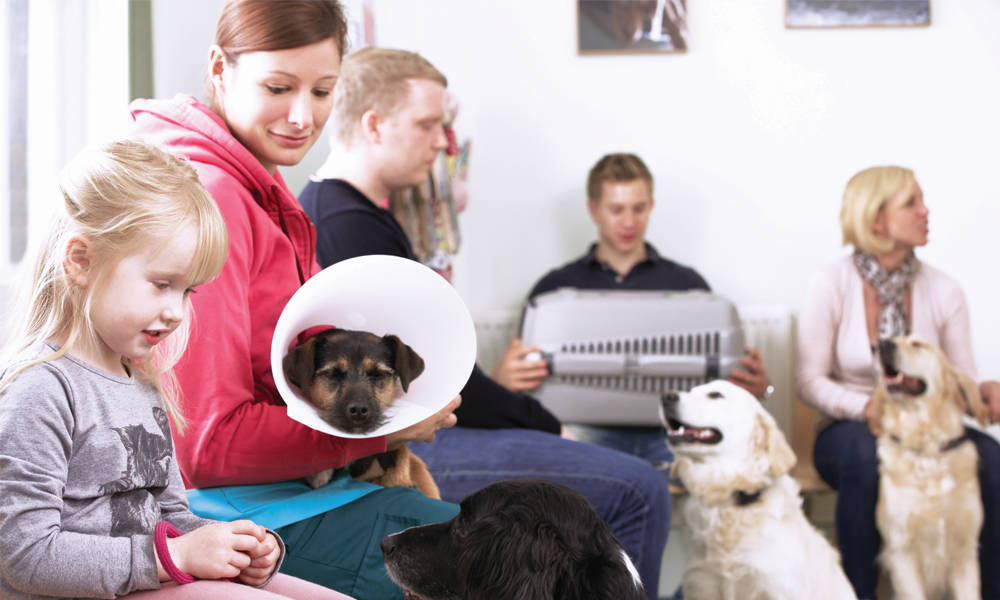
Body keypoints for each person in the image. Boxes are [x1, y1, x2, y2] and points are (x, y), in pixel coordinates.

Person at [299, 47, 671, 600]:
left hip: (435, 422)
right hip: (424, 437)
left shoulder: (356, 217)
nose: (443, 143)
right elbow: (446, 386)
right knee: (639, 489)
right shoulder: (349, 227)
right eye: (428, 124)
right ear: (374, 125)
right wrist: (546, 423)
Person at [129, 3, 459, 598]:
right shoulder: (217, 197)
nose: (302, 116)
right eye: (278, 87)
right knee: (520, 559)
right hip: (232, 515)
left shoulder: (263, 183)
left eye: (324, 90)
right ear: (219, 69)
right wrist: (379, 432)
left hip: (291, 490)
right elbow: (206, 444)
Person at [0, 140, 350, 600]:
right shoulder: (41, 390)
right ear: (81, 261)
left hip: (144, 578)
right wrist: (176, 558)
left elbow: (168, 517)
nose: (176, 312)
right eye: (162, 284)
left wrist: (233, 547)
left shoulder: (142, 388)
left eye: (187, 292)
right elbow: (24, 556)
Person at [796, 165, 1000, 600]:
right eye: (912, 202)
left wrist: (983, 391)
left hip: (928, 428)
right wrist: (865, 407)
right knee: (865, 457)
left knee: (993, 460)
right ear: (876, 219)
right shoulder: (831, 282)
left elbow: (960, 375)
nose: (926, 211)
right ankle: (858, 593)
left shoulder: (944, 289)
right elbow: (808, 380)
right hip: (849, 426)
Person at [493, 152, 771, 466]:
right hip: (583, 432)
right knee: (552, 458)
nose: (629, 222)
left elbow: (716, 392)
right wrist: (501, 379)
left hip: (672, 434)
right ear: (593, 210)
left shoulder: (688, 286)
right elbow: (517, 380)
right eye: (616, 210)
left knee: (729, 459)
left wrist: (758, 388)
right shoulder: (553, 290)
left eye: (639, 208)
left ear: (651, 206)